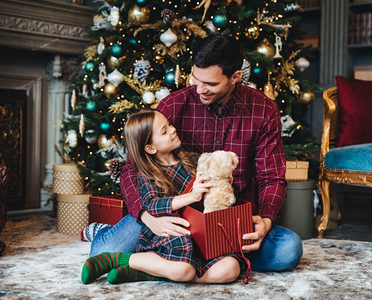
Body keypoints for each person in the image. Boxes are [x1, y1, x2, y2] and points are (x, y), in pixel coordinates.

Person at [88, 34, 303, 272]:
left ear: (235, 77)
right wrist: (149, 218)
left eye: (210, 84)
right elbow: (131, 169)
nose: (200, 89)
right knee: (101, 253)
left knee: (288, 250)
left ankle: (176, 260)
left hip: (227, 216)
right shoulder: (172, 105)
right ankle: (185, 255)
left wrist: (265, 220)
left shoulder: (264, 110)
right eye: (196, 79)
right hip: (171, 214)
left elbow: (271, 178)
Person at [81, 109, 243, 284]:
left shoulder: (193, 161)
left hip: (199, 237)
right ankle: (118, 260)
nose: (173, 130)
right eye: (164, 131)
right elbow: (152, 204)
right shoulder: (147, 174)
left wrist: (221, 180)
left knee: (231, 269)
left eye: (170, 125)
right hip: (170, 239)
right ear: (150, 148)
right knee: (184, 270)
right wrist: (192, 196)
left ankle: (148, 272)